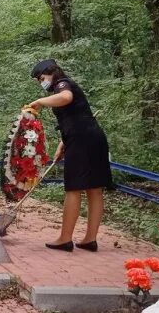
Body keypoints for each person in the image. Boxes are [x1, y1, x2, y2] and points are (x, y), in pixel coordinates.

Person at [27, 60, 113, 252]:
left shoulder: (62, 84)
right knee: (94, 189)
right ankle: (89, 240)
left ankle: (65, 239)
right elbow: (75, 117)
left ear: (52, 72)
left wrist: (40, 102)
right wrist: (63, 144)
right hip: (91, 137)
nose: (42, 83)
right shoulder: (62, 85)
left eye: (42, 78)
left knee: (74, 188)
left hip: (82, 140)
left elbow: (66, 98)